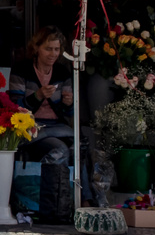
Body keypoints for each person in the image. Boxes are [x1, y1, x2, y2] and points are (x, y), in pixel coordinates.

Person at [10, 25, 96, 213]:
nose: (53, 54)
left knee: (78, 148)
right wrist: (38, 96)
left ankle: (85, 198)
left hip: (57, 127)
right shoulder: (22, 70)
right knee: (60, 149)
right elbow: (15, 107)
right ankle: (56, 200)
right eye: (48, 49)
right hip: (32, 128)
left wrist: (68, 104)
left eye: (57, 49)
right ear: (37, 48)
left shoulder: (62, 73)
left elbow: (69, 115)